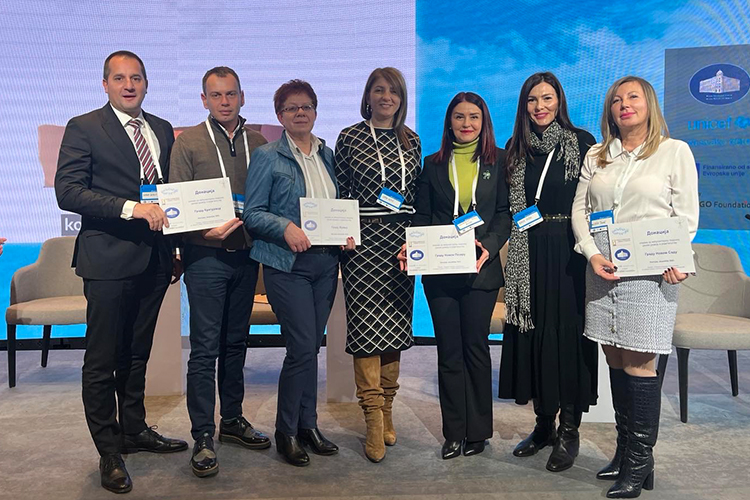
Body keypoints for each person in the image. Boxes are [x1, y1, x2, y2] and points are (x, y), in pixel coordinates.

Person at [55, 51, 187, 494]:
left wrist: (175, 248)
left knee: (136, 354)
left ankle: (134, 430)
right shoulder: (84, 127)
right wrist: (131, 208)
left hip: (155, 259)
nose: (128, 85)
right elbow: (68, 191)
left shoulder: (162, 128)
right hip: (108, 259)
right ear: (105, 84)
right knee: (102, 360)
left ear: (146, 83)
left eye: (136, 78)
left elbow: (167, 194)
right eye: (119, 78)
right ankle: (109, 451)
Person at [571, 76, 698, 498]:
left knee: (640, 364)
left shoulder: (674, 151)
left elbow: (686, 214)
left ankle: (641, 460)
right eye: (616, 100)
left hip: (651, 270)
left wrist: (679, 257)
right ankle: (625, 451)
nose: (624, 104)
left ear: (649, 104)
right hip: (602, 266)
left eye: (633, 97)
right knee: (614, 356)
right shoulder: (597, 154)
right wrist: (591, 253)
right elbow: (580, 210)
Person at [243, 79, 355, 467]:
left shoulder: (328, 154)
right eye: (291, 107)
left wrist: (347, 233)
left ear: (316, 111)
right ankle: (286, 431)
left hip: (325, 264)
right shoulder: (267, 156)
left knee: (311, 349)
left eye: (306, 106)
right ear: (279, 115)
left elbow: (338, 206)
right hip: (286, 265)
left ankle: (308, 426)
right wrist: (285, 227)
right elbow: (252, 213)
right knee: (303, 347)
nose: (300, 113)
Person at [169, 66, 270, 478]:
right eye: (216, 95)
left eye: (231, 94)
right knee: (205, 349)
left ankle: (232, 420)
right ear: (204, 100)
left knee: (235, 343)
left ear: (242, 96)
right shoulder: (188, 142)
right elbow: (175, 204)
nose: (224, 102)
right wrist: (200, 233)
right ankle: (202, 435)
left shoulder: (260, 143)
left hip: (245, 256)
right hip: (205, 257)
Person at [399, 92, 510, 459]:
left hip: (481, 270)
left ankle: (478, 432)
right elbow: (422, 215)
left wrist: (489, 246)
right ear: (449, 122)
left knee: (475, 349)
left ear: (484, 122)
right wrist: (414, 246)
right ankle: (454, 432)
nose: (466, 124)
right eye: (459, 117)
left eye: (474, 117)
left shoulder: (500, 161)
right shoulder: (432, 165)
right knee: (448, 351)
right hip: (441, 270)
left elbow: (504, 214)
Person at [497, 72, 598, 472]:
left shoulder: (582, 142)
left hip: (569, 253)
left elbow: (594, 201)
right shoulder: (514, 148)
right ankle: (543, 426)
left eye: (547, 98)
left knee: (567, 341)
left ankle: (569, 430)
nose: (540, 107)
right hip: (528, 254)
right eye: (532, 100)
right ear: (523, 106)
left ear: (560, 101)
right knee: (533, 337)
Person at [334, 67, 421, 463]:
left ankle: (387, 409)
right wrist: (343, 233)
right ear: (368, 95)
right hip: (363, 245)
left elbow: (414, 196)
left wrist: (416, 244)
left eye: (394, 91)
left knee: (395, 328)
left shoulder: (412, 140)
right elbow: (341, 192)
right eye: (379, 90)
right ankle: (371, 416)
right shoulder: (350, 137)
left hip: (401, 245)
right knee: (368, 331)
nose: (387, 97)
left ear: (401, 98)